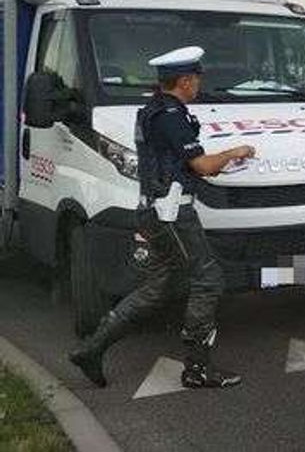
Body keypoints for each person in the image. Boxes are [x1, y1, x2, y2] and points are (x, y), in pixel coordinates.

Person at [69, 47, 255, 389]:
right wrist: (236, 152)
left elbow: (172, 162)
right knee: (208, 279)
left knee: (158, 286)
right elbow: (202, 165)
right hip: (172, 214)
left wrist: (215, 164)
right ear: (184, 81)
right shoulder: (171, 116)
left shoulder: (152, 110)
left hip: (153, 210)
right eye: (196, 78)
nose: (199, 84)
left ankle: (91, 349)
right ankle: (197, 369)